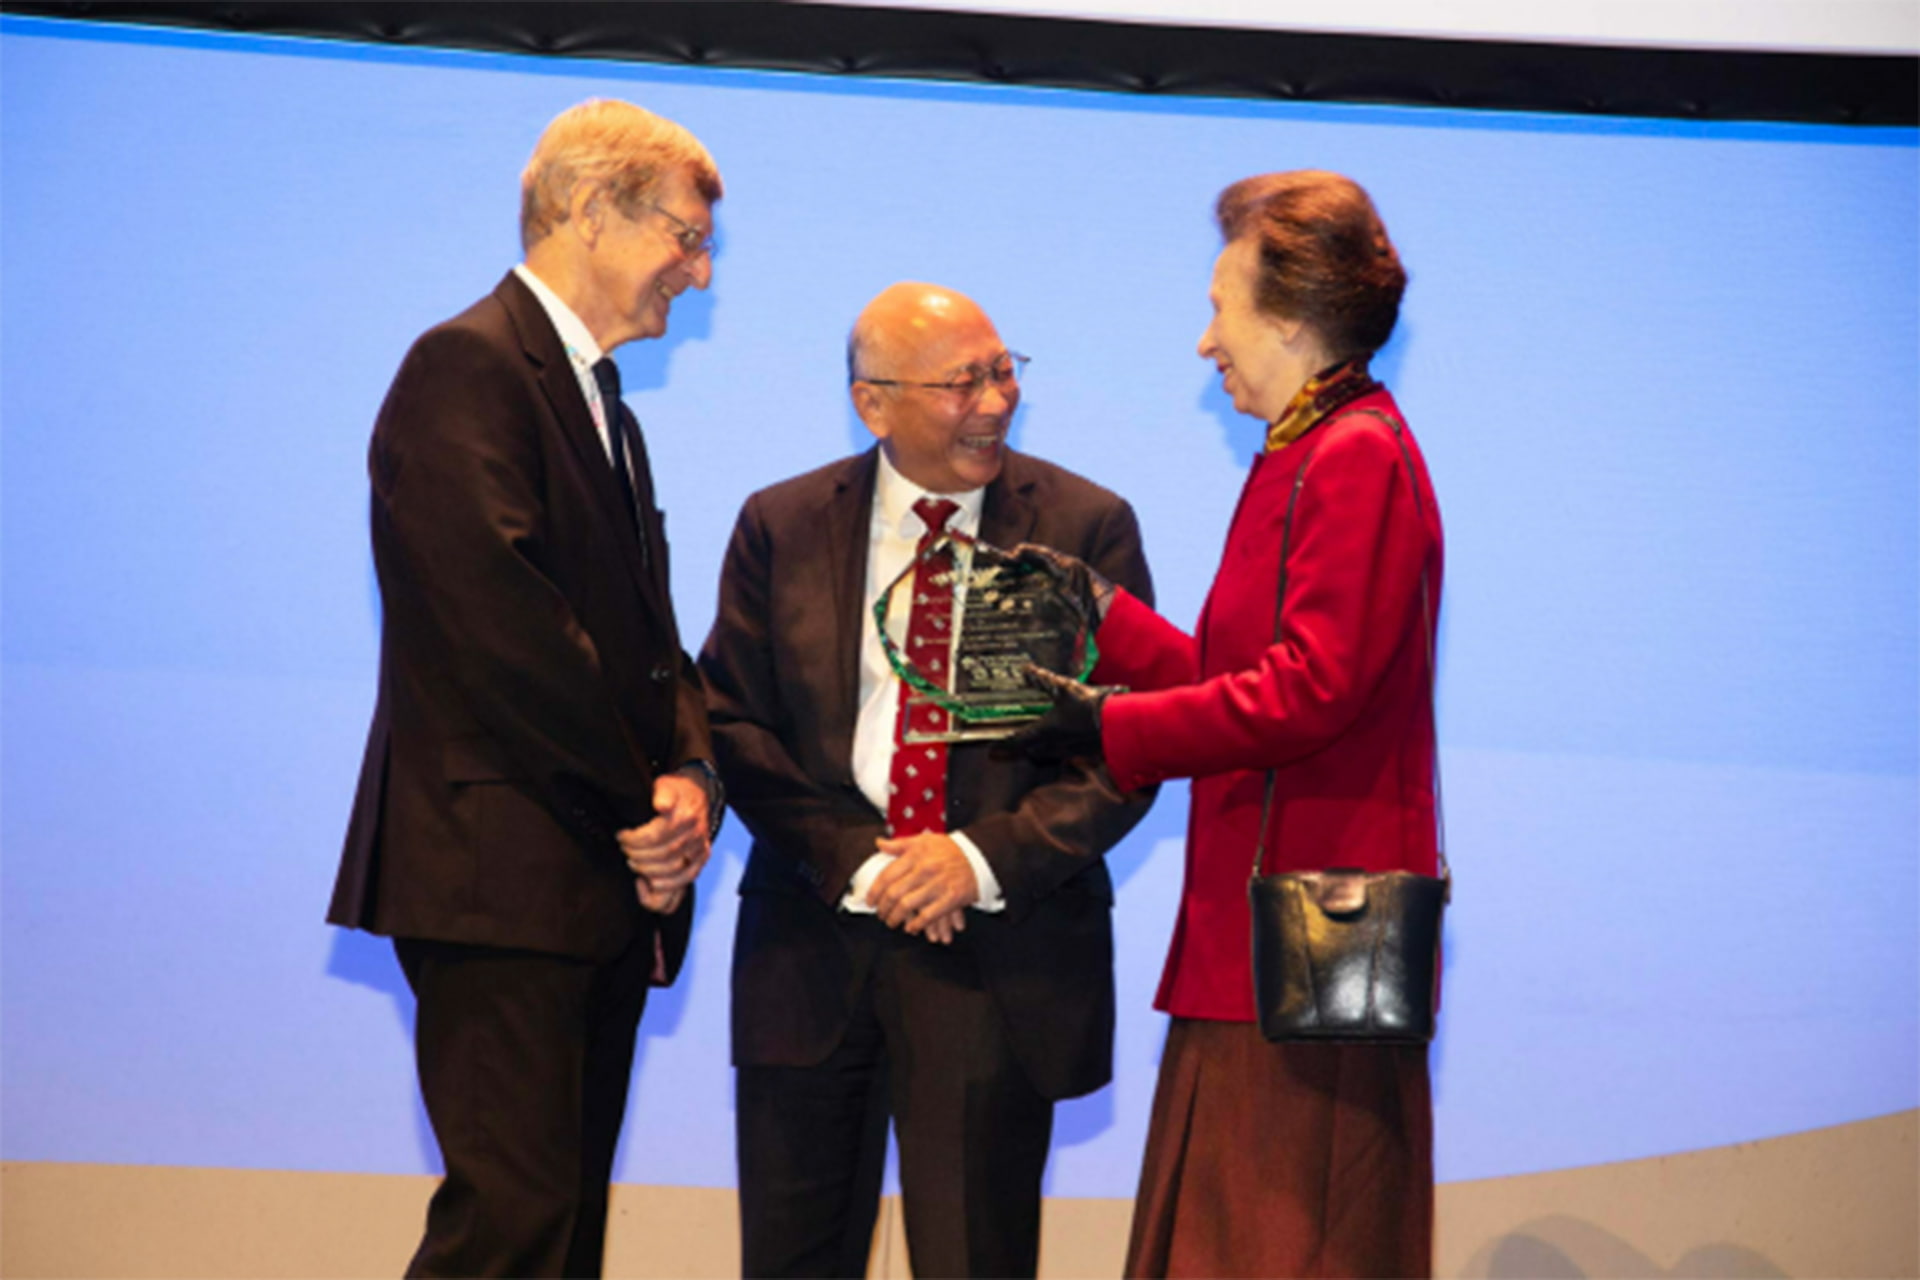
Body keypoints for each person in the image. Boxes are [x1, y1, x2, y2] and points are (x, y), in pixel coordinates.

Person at [1008, 171, 1443, 1278]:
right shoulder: (1310, 447)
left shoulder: (1356, 454)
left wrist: (1117, 730)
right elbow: (1244, 679)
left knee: (1284, 1239)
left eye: (1220, 305)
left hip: (1315, 930)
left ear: (1290, 316)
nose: (1207, 341)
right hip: (1263, 926)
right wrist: (1101, 617)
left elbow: (1310, 691)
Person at [327, 99, 726, 1279]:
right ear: (591, 211)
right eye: (686, 238)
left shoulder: (605, 404)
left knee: (556, 1238)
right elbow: (502, 629)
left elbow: (653, 638)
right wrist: (639, 805)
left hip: (584, 875)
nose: (697, 277)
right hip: (499, 876)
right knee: (513, 1231)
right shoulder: (468, 365)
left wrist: (694, 775)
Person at [699, 282, 1156, 1279]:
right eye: (962, 382)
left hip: (994, 949)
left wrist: (975, 859)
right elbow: (729, 716)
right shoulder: (780, 522)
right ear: (874, 403)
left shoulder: (1084, 525)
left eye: (1003, 371)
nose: (996, 401)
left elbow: (1129, 742)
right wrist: (862, 864)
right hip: (812, 940)